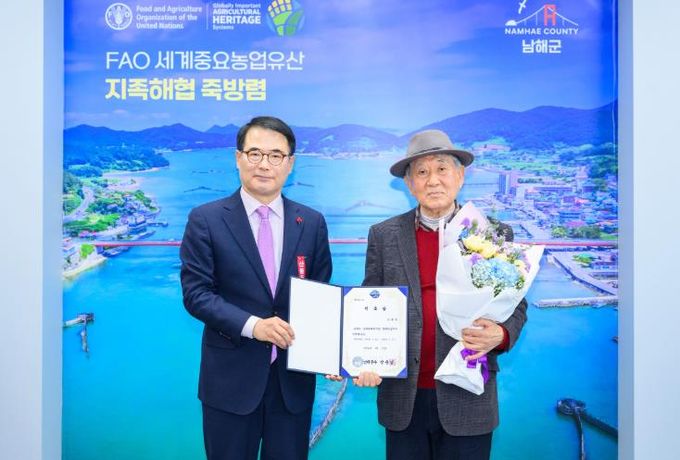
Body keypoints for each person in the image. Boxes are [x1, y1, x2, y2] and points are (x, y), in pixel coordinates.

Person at [356, 129, 527, 460]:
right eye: (421, 172)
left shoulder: (491, 233)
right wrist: (361, 357)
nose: (433, 180)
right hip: (403, 397)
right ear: (409, 184)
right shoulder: (383, 235)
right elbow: (368, 303)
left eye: (442, 169)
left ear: (460, 177)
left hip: (468, 394)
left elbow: (516, 306)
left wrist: (501, 334)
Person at [180, 116, 332, 460]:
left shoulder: (311, 222)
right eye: (255, 153)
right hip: (230, 384)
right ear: (238, 158)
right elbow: (196, 294)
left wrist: (332, 353)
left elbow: (321, 296)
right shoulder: (205, 219)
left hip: (292, 384)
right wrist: (254, 326)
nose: (264, 164)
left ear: (290, 164)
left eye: (276, 155)